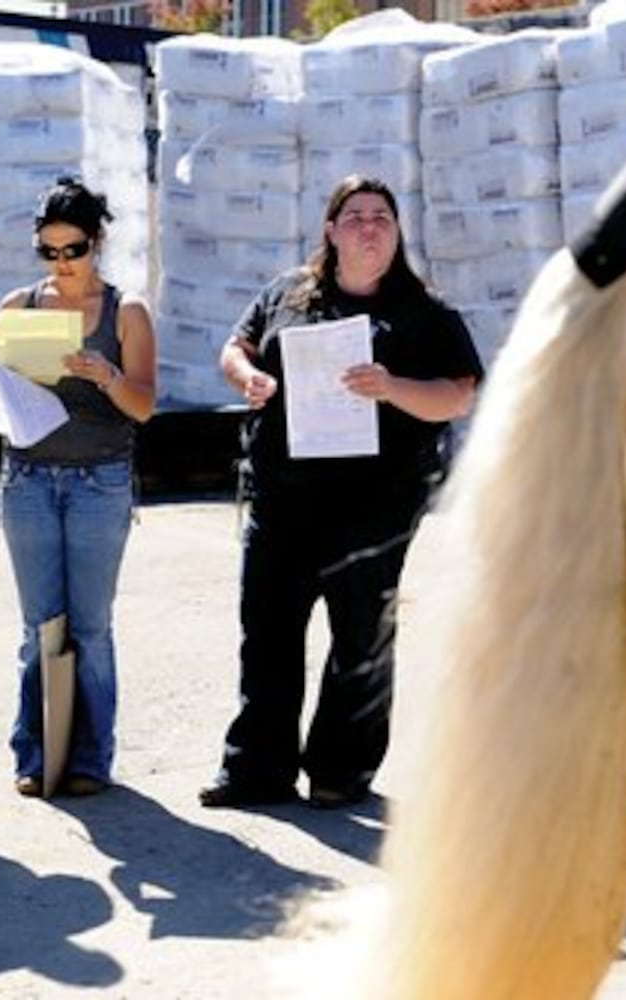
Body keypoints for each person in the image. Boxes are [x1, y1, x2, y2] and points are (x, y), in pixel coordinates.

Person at [201, 174, 484, 810]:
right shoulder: (287, 295)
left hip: (375, 508)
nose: (368, 226)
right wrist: (248, 377)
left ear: (397, 231)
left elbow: (459, 393)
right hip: (282, 497)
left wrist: (391, 387)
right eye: (353, 215)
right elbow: (235, 347)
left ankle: (340, 772)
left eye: (381, 216)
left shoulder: (425, 313)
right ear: (330, 230)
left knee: (359, 638)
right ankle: (256, 772)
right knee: (268, 634)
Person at [0, 176, 155, 798]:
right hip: (26, 479)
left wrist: (104, 375)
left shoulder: (127, 311)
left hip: (100, 481)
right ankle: (34, 751)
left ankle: (90, 758)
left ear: (97, 241)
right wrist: (0, 369)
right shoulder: (18, 306)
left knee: (91, 625)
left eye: (72, 250)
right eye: (48, 252)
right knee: (38, 624)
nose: (61, 264)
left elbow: (145, 405)